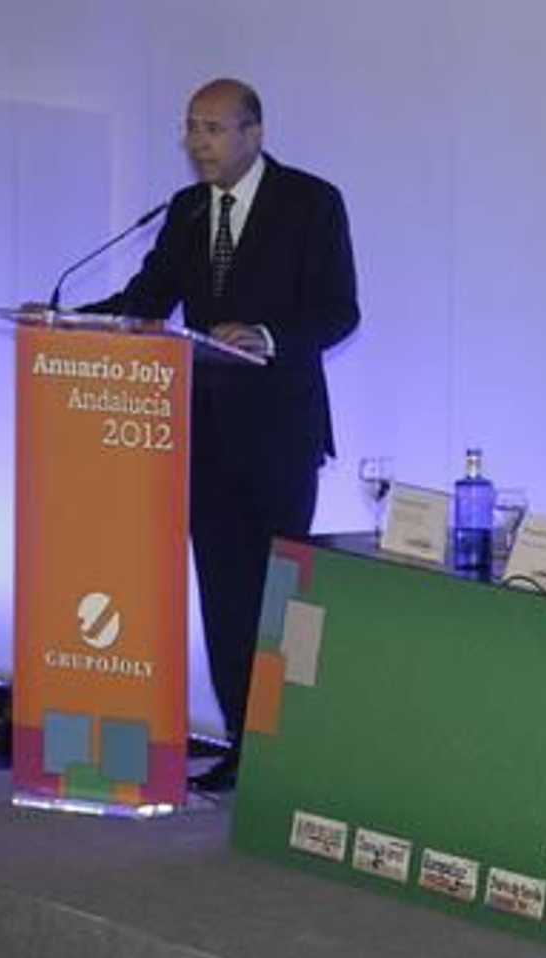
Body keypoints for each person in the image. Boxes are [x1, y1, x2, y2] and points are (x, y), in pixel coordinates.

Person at [82, 78, 360, 791]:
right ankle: (241, 740)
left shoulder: (311, 202)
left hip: (278, 434)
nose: (197, 142)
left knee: (278, 596)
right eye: (191, 128)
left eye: (212, 129)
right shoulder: (186, 209)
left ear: (253, 132)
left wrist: (266, 335)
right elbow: (146, 300)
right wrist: (71, 319)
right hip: (202, 436)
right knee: (224, 594)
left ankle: (287, 744)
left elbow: (337, 313)